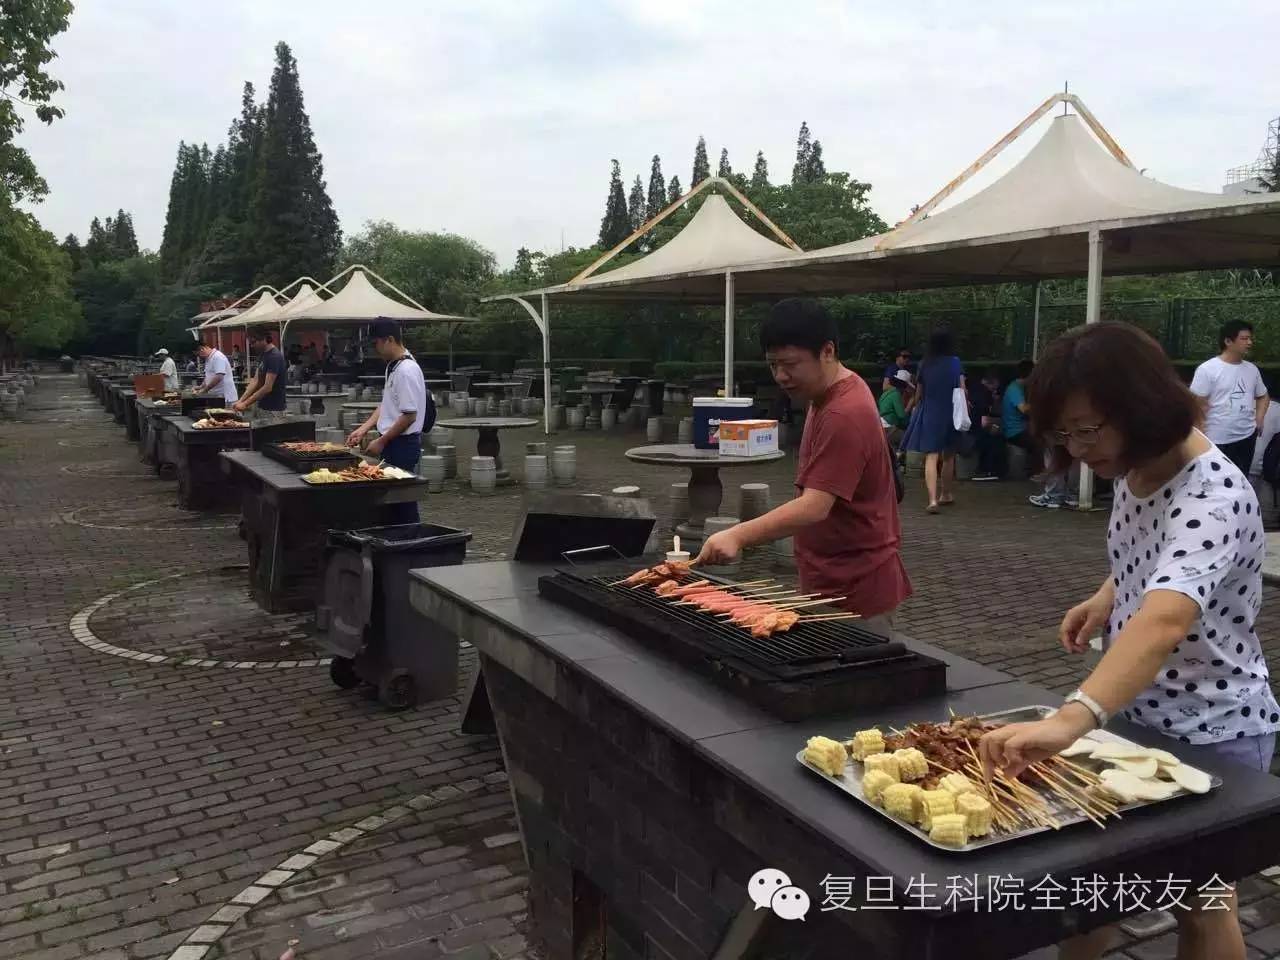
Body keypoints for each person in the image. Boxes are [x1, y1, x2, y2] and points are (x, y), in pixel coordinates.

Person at [979, 322, 1276, 960]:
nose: (1078, 448)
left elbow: (1165, 620)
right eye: (1065, 434)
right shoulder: (1136, 464)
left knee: (1202, 904)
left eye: (1088, 430)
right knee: (1092, 890)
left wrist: (1072, 718)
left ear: (1142, 407)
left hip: (1213, 726)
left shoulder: (1215, 493)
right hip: (1137, 710)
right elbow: (1159, 557)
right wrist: (1107, 596)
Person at [696, 299, 911, 629]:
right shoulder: (825, 393)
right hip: (833, 579)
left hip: (855, 590)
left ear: (827, 351)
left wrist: (737, 535)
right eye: (773, 365)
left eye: (791, 364)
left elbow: (814, 506)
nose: (781, 376)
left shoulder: (843, 412)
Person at [346, 318, 434, 525]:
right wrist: (363, 428)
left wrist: (382, 441)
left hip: (403, 444)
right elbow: (387, 404)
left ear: (390, 340)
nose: (375, 349)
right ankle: (397, 538)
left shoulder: (406, 370)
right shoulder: (394, 367)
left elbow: (409, 415)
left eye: (376, 343)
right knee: (392, 502)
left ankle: (411, 539)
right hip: (393, 442)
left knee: (403, 501)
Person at [1190, 320, 1270, 474]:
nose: (1249, 342)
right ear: (1228, 341)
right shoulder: (1207, 369)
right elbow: (1195, 405)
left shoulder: (1252, 369)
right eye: (1244, 338)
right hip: (1216, 440)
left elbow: (1263, 396)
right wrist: (1200, 438)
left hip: (1247, 437)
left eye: (1250, 338)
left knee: (1241, 479)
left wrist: (1259, 419)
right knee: (1216, 483)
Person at [902, 330, 965, 513]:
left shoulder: (925, 364)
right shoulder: (955, 362)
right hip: (951, 412)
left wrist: (914, 407)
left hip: (930, 412)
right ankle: (946, 494)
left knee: (931, 456)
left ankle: (932, 500)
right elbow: (962, 388)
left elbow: (919, 393)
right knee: (949, 456)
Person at [234, 330, 288, 421]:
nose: (251, 345)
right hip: (262, 406)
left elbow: (267, 387)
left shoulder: (274, 357)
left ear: (264, 339)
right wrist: (241, 400)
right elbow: (255, 380)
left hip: (273, 409)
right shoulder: (263, 355)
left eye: (253, 342)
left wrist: (245, 404)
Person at [969, 369, 1003, 481]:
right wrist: (998, 423)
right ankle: (987, 471)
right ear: (991, 383)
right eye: (994, 388)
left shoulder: (973, 389)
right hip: (974, 432)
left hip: (966, 429)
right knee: (995, 439)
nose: (995, 391)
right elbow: (984, 422)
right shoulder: (985, 394)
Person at [877, 369, 913, 445]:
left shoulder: (886, 392)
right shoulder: (896, 394)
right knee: (909, 438)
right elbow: (901, 416)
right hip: (889, 426)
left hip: (880, 425)